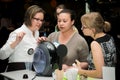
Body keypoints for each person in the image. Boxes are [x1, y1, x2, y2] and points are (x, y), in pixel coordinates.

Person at [38, 9, 89, 80]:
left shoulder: (80, 41)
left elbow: (86, 63)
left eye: (64, 21)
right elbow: (45, 57)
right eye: (59, 21)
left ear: (72, 22)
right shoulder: (52, 36)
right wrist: (42, 44)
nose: (61, 23)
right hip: (51, 77)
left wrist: (70, 68)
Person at [0, 5, 45, 72]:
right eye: (37, 19)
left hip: (31, 71)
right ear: (29, 18)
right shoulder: (17, 33)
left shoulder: (36, 33)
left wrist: (40, 45)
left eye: (41, 20)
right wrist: (16, 42)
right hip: (16, 71)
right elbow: (2, 55)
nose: (40, 23)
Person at [75, 12, 116, 79]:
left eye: (84, 27)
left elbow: (99, 74)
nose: (81, 28)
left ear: (93, 29)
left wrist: (80, 71)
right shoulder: (110, 38)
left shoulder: (95, 44)